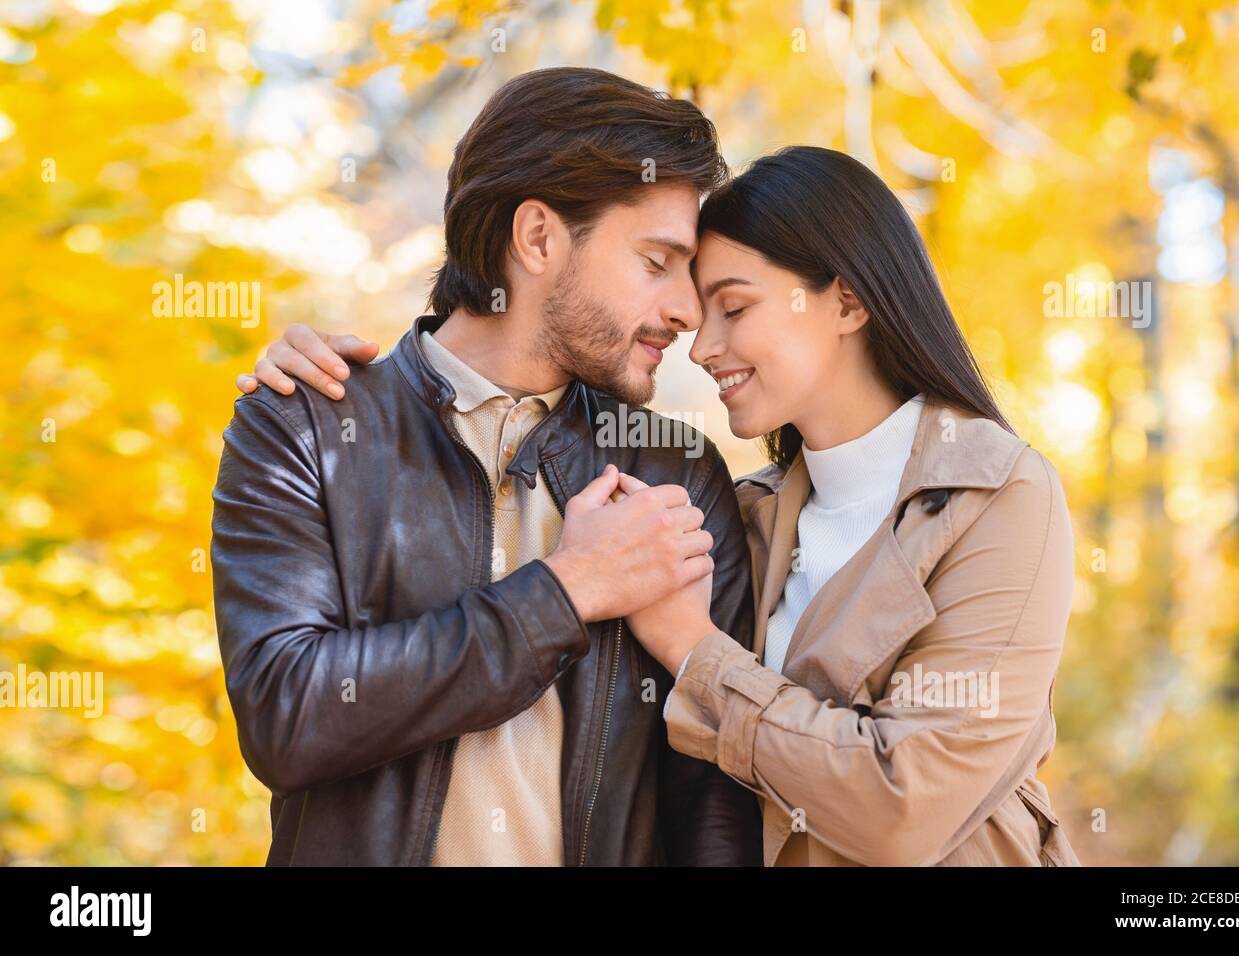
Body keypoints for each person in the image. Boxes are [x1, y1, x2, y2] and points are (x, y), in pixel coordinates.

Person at [252, 145, 1081, 867]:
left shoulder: (994, 497)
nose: (699, 339)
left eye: (735, 306)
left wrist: (691, 648)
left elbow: (902, 807)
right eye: (674, 279)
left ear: (848, 302)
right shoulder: (743, 512)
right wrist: (347, 394)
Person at [210, 66, 762, 866]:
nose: (686, 308)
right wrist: (571, 591)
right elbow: (289, 717)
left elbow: (710, 793)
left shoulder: (677, 470)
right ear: (537, 237)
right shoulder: (304, 424)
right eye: (656, 262)